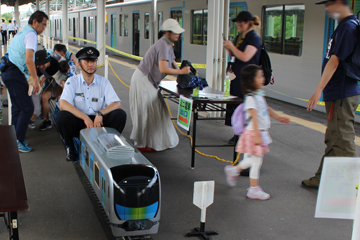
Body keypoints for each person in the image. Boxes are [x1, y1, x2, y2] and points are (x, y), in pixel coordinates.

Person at [301, 0, 360, 189]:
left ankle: (352, 187)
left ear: (339, 4)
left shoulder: (347, 28)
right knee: (334, 136)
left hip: (341, 93)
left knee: (342, 138)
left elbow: (334, 62)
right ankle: (322, 178)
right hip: (340, 93)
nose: (327, 9)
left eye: (329, 4)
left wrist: (318, 90)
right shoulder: (346, 26)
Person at [224, 65, 290, 200]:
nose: (263, 79)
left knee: (252, 160)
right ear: (251, 81)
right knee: (256, 161)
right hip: (254, 133)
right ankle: (250, 186)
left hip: (255, 132)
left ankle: (238, 173)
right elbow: (253, 117)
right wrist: (257, 135)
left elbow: (267, 109)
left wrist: (279, 117)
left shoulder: (258, 95)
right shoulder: (251, 98)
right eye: (259, 77)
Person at [129, 18, 190, 152]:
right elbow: (163, 69)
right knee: (148, 111)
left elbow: (172, 61)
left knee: (157, 110)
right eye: (176, 32)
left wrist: (184, 72)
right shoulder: (162, 44)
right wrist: (181, 71)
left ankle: (152, 142)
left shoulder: (168, 45)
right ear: (167, 33)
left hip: (148, 80)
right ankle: (143, 143)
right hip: (143, 79)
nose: (178, 35)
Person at [56, 47, 127, 162]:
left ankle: (110, 144)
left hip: (99, 121)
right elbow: (63, 104)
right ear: (79, 65)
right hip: (80, 121)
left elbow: (116, 103)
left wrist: (100, 113)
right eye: (87, 61)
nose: (91, 64)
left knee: (120, 114)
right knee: (62, 117)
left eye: (93, 61)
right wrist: (84, 117)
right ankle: (70, 148)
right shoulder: (72, 81)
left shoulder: (104, 82)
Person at [1, 10, 48, 152]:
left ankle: (13, 139)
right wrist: (34, 80)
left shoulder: (22, 32)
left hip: (8, 71)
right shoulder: (32, 34)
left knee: (17, 107)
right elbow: (28, 60)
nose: (44, 28)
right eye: (43, 24)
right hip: (14, 73)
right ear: (35, 22)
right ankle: (18, 141)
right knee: (27, 108)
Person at [223, 11, 261, 144]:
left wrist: (232, 46)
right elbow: (233, 56)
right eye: (237, 23)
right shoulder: (240, 37)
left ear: (248, 23)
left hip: (247, 80)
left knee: (245, 108)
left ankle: (245, 137)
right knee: (235, 106)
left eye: (240, 23)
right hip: (236, 77)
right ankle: (237, 134)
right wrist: (228, 48)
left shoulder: (254, 38)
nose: (238, 25)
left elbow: (245, 57)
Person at [35, 49, 63, 131]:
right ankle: (46, 121)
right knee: (43, 97)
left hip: (64, 83)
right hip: (53, 82)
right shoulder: (40, 67)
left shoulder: (56, 64)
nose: (41, 66)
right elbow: (40, 75)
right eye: (38, 65)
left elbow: (64, 81)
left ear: (48, 60)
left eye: (43, 64)